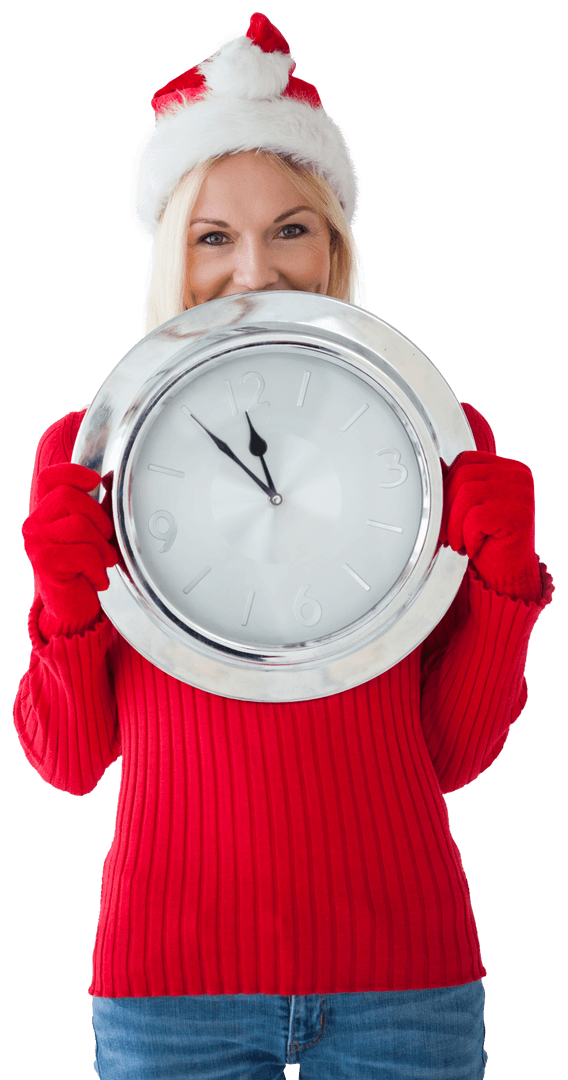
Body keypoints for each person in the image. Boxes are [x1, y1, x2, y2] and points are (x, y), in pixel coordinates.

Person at [13, 13, 553, 1080]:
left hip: (407, 977)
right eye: (214, 235)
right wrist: (67, 608)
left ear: (338, 243)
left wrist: (504, 590)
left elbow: (447, 756)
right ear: (173, 251)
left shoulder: (439, 437)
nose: (254, 267)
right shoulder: (87, 449)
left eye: (291, 228)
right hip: (171, 989)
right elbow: (68, 762)